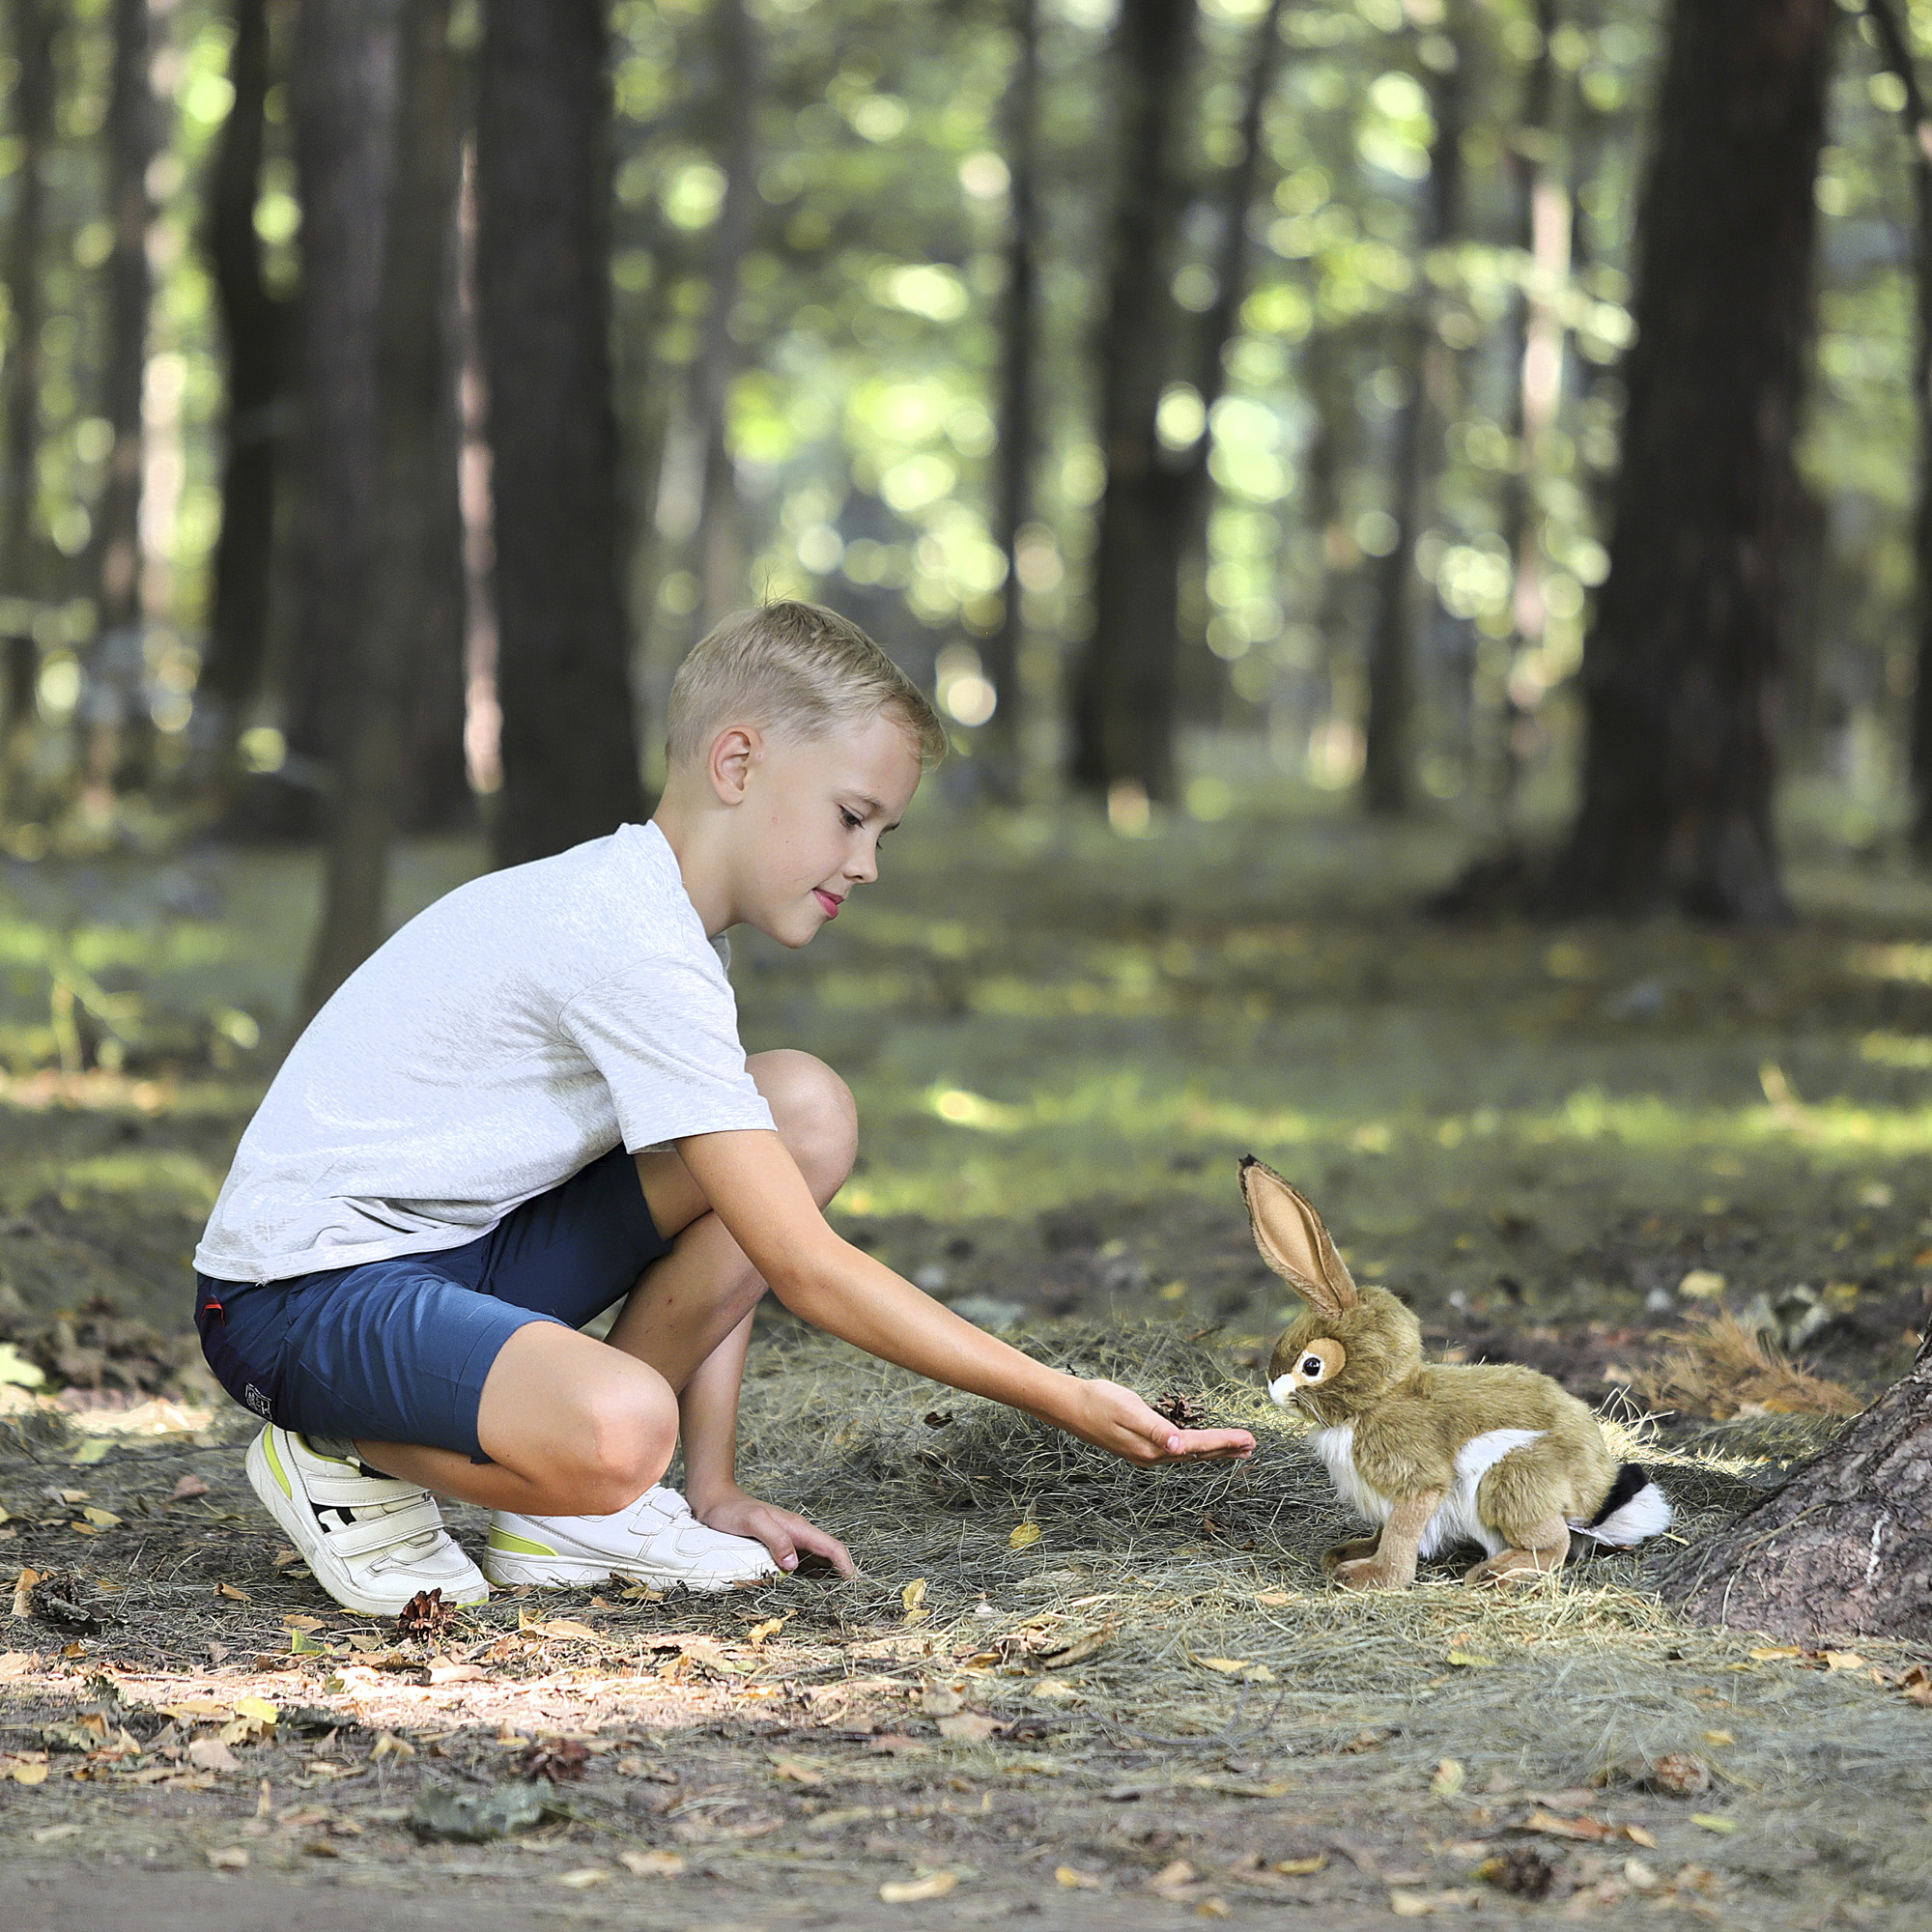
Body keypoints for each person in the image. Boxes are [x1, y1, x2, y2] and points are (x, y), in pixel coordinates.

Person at [192, 602, 1254, 1615]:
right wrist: (1056, 1393)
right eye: (852, 816)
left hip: (456, 1254)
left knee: (800, 1111)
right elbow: (802, 1265)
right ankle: (341, 1447)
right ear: (737, 762)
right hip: (292, 1296)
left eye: (882, 831)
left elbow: (745, 1209)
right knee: (622, 1422)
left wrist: (712, 1490)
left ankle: (587, 1508)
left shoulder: (676, 931)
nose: (868, 863)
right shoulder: (626, 935)